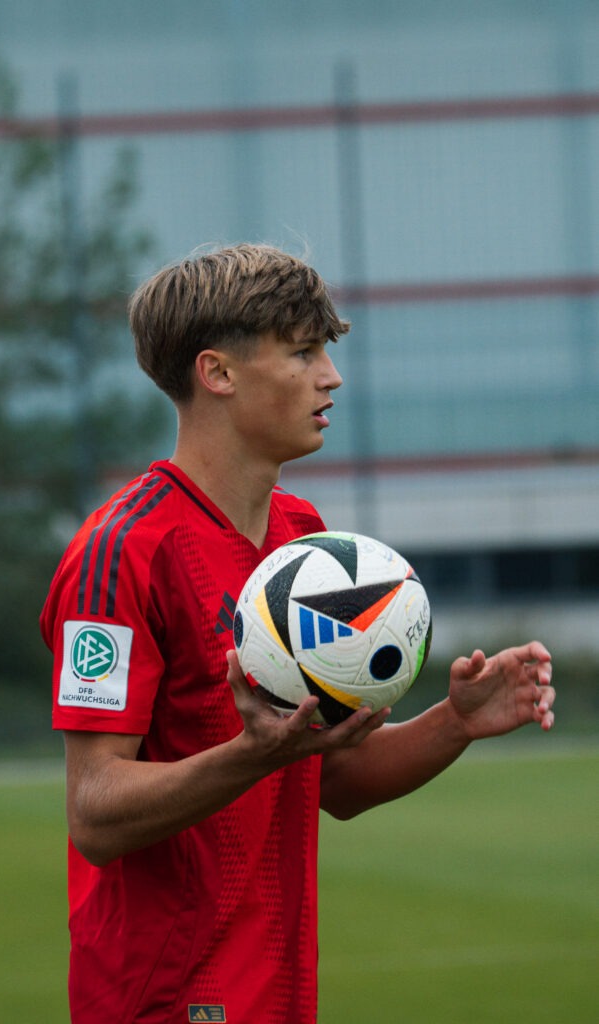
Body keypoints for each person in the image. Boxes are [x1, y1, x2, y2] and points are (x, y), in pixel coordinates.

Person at [39, 243, 554, 1024]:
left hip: (278, 991)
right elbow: (96, 813)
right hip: (167, 999)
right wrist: (250, 755)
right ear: (217, 373)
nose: (330, 377)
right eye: (303, 352)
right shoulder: (122, 550)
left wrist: (454, 724)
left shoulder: (305, 542)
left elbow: (331, 781)